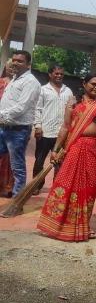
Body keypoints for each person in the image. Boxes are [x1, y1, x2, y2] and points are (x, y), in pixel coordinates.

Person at [36, 74, 96, 242]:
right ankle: (58, 224)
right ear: (84, 84)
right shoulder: (73, 103)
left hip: (95, 149)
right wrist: (56, 148)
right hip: (75, 148)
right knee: (67, 184)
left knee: (89, 188)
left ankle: (85, 224)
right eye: (93, 84)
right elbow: (65, 127)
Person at [0, 51, 41, 198]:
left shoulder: (30, 82)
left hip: (17, 131)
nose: (16, 63)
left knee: (17, 167)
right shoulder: (14, 79)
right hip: (4, 128)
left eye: (20, 61)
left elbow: (21, 107)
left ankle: (18, 201)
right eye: (14, 60)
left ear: (28, 64)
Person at [32, 64, 73, 194]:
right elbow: (37, 109)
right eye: (56, 73)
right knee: (39, 160)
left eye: (61, 74)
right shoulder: (43, 90)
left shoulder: (68, 91)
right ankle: (36, 185)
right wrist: (38, 126)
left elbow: (73, 110)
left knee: (60, 161)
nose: (59, 76)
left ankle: (57, 185)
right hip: (45, 131)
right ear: (50, 74)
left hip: (62, 133)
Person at [0, 60, 15, 196]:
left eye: (15, 67)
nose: (12, 69)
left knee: (11, 156)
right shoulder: (0, 82)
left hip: (14, 125)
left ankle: (9, 187)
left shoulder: (19, 85)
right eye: (10, 67)